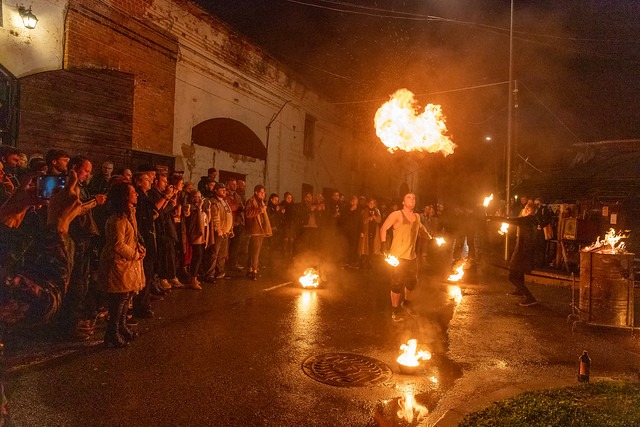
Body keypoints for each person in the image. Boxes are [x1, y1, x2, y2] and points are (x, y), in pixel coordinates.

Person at [98, 182, 145, 348]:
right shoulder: (117, 219)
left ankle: (122, 327)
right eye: (133, 192)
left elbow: (131, 238)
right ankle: (111, 333)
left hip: (127, 262)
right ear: (125, 197)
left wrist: (139, 247)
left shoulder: (129, 215)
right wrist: (134, 254)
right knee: (119, 299)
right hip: (118, 263)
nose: (137, 194)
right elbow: (117, 244)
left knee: (126, 296)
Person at [379, 193, 432, 322]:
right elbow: (384, 228)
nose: (412, 200)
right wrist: (383, 245)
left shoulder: (417, 217)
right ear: (403, 202)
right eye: (409, 198)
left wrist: (430, 236)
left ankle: (407, 303)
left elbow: (421, 229)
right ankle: (395, 310)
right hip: (398, 256)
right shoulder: (396, 214)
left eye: (414, 198)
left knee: (412, 282)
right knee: (397, 284)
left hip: (411, 257)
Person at [487, 200, 539, 306]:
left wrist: (491, 217)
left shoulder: (526, 220)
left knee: (512, 275)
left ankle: (530, 298)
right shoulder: (533, 220)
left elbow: (509, 220)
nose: (523, 210)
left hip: (522, 250)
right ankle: (519, 290)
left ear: (529, 210)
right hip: (526, 250)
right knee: (519, 272)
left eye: (525, 209)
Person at [202, 182, 233, 282]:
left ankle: (220, 272)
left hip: (225, 232)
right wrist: (218, 229)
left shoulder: (224, 202)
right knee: (214, 253)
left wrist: (230, 229)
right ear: (216, 191)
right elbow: (215, 217)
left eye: (224, 189)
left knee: (222, 254)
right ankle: (210, 274)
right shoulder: (214, 202)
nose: (224, 191)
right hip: (219, 232)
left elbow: (229, 215)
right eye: (221, 189)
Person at [244, 185, 271, 280]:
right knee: (255, 251)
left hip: (261, 229)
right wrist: (260, 210)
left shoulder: (261, 202)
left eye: (264, 193)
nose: (263, 194)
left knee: (254, 251)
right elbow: (247, 214)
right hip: (255, 229)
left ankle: (250, 269)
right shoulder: (251, 201)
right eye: (261, 192)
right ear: (256, 192)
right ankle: (254, 270)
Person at [358, 198, 381, 269]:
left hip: (373, 231)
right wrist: (368, 219)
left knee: (372, 246)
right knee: (364, 247)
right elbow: (362, 221)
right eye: (370, 203)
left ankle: (370, 261)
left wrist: (375, 218)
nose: (371, 205)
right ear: (368, 203)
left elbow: (379, 219)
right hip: (366, 230)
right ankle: (363, 262)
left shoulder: (376, 210)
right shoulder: (365, 210)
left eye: (373, 203)